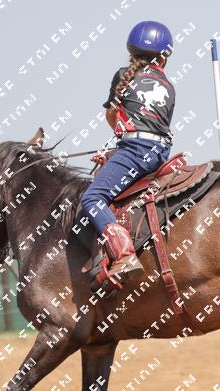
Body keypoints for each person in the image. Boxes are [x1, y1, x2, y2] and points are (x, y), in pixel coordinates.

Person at [80, 20, 175, 290]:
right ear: (165, 57)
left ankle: (123, 255)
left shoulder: (123, 75)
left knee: (92, 198)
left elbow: (114, 118)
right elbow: (153, 127)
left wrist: (119, 145)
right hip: (160, 151)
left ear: (131, 52)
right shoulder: (169, 85)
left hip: (136, 150)